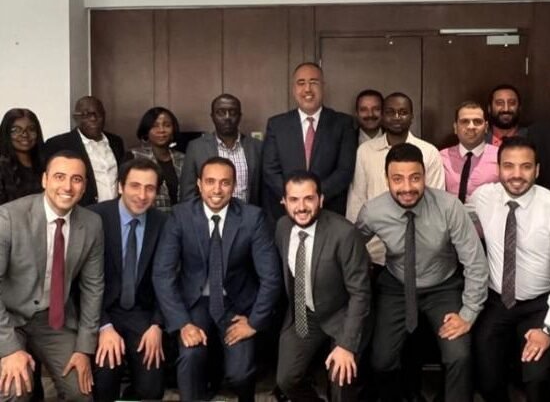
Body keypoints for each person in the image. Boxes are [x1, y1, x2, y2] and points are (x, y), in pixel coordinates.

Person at [356, 143, 488, 402]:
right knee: (381, 360)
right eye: (398, 179)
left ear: (425, 176)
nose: (407, 187)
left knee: (459, 355)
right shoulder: (373, 211)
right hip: (396, 286)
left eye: (415, 178)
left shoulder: (449, 207)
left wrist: (468, 313)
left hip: (443, 287)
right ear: (387, 179)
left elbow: (475, 262)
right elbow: (349, 247)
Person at [153, 156, 281, 402]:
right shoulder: (180, 215)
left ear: (234, 186)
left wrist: (254, 322)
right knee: (190, 357)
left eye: (225, 182)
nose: (217, 189)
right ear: (199, 184)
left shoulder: (252, 217)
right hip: (195, 303)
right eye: (210, 181)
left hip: (236, 304)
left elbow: (271, 277)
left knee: (240, 373)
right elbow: (162, 273)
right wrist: (182, 323)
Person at [0, 150, 104, 401]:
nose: (67, 187)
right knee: (15, 390)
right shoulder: (8, 217)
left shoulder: (92, 224)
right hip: (7, 317)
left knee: (81, 392)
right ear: (45, 180)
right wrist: (8, 349)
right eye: (59, 177)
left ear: (84, 187)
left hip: (53, 319)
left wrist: (84, 348)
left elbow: (93, 287)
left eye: (76, 179)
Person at [275, 170, 371, 402]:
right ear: (284, 202)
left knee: (341, 383)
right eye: (294, 199)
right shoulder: (282, 228)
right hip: (304, 314)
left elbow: (360, 294)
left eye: (309, 198)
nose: (301, 207)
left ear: (321, 199)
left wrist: (346, 345)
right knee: (286, 380)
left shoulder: (345, 234)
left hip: (342, 315)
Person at [471, 136, 550, 402]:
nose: (516, 175)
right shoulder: (483, 197)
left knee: (537, 379)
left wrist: (548, 330)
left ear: (537, 170)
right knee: (486, 377)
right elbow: (454, 220)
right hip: (497, 302)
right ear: (498, 168)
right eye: (509, 166)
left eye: (525, 166)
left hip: (540, 305)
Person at [89, 158, 167, 401]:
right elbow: (81, 282)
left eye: (150, 188)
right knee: (104, 380)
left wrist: (157, 325)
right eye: (135, 186)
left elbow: (169, 279)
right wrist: (103, 326)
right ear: (120, 186)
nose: (142, 195)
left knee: (152, 390)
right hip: (102, 311)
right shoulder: (94, 218)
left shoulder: (163, 223)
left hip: (142, 314)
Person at [347, 92, 445, 266]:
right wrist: (356, 246)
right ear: (382, 116)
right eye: (390, 112)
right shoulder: (365, 151)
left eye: (403, 112)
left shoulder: (429, 152)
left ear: (412, 117)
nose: (397, 117)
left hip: (418, 250)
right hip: (375, 250)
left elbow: (435, 203)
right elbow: (357, 199)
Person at [262, 62, 356, 226]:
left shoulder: (343, 123)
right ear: (293, 89)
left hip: (329, 212)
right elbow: (270, 170)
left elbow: (344, 170)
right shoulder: (277, 125)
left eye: (313, 82)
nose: (307, 89)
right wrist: (293, 199)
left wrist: (314, 198)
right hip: (286, 215)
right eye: (301, 83)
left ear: (323, 87)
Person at [180, 94, 262, 205]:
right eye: (221, 112)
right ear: (212, 116)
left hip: (248, 214)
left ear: (240, 116)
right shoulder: (196, 148)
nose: (227, 117)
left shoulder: (257, 147)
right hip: (208, 215)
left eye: (233, 112)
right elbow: (188, 194)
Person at [44, 95, 125, 206]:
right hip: (81, 211)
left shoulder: (116, 142)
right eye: (87, 114)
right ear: (76, 118)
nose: (93, 119)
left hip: (115, 210)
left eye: (98, 114)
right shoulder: (59, 144)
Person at [126, 107, 185, 212]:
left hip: (181, 219)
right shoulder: (133, 157)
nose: (161, 130)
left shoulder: (183, 159)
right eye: (155, 126)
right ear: (146, 131)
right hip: (147, 218)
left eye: (167, 125)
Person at [440, 100, 499, 203]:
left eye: (477, 122)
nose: (471, 127)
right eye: (464, 121)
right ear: (455, 127)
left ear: (486, 127)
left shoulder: (500, 157)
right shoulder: (441, 157)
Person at [0, 108, 45, 204]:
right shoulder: (2, 167)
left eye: (31, 129)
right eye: (15, 130)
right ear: (6, 133)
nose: (25, 134)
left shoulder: (47, 164)